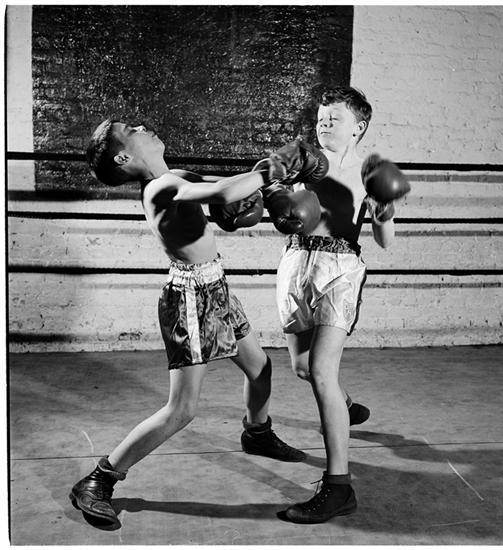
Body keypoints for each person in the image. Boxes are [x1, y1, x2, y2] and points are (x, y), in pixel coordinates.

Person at [69, 119, 328, 528]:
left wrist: (266, 190)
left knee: (260, 368)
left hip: (215, 286)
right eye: (131, 129)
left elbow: (225, 191)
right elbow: (223, 193)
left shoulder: (175, 176)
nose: (143, 125)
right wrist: (273, 168)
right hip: (188, 299)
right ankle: (99, 479)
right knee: (182, 409)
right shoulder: (159, 188)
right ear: (124, 157)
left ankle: (257, 433)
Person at [268, 86, 410, 523]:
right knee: (303, 368)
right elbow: (281, 213)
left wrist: (383, 211)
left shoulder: (371, 171)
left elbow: (385, 241)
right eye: (321, 118)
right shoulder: (303, 163)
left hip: (340, 271)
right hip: (296, 263)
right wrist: (278, 198)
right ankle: (344, 407)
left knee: (321, 373)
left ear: (359, 127)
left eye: (335, 118)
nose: (324, 123)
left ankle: (338, 487)